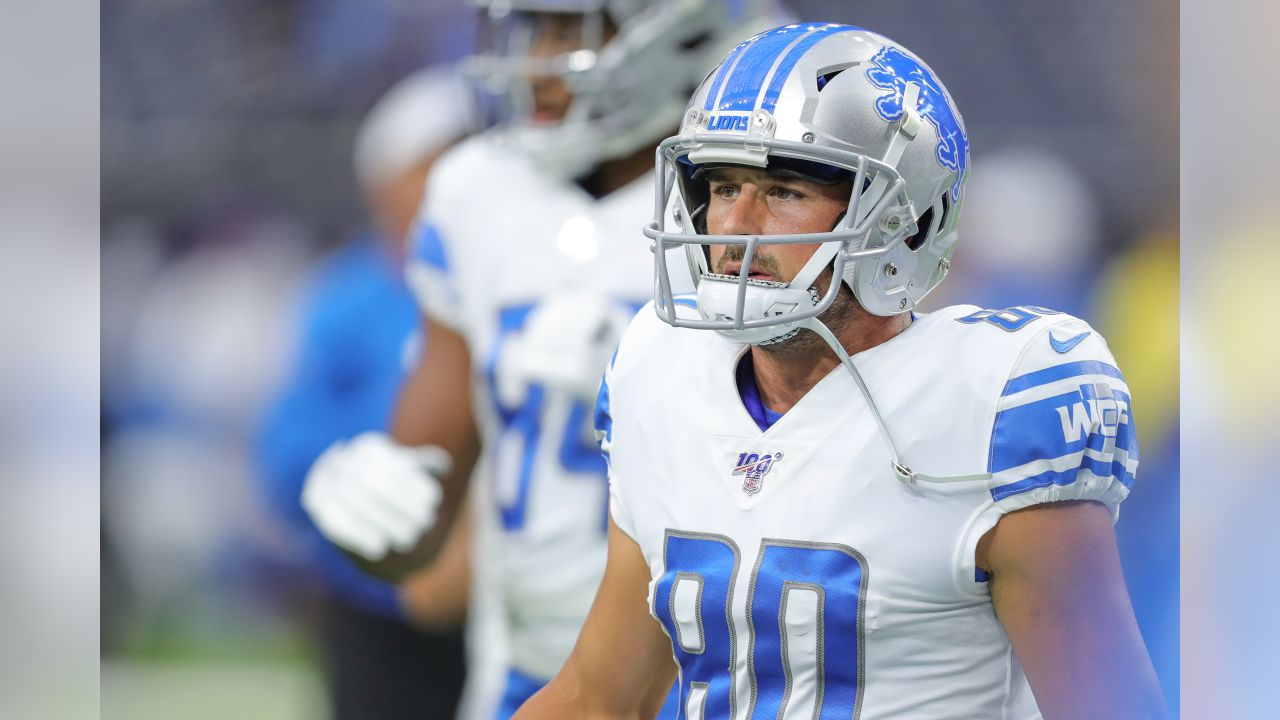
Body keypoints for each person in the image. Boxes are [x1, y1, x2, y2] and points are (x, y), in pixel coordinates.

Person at [516, 22, 1167, 719]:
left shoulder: (995, 406)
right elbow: (597, 698)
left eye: (785, 191)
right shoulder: (661, 371)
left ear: (900, 222)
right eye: (724, 184)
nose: (735, 226)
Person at [299, 3, 781, 717]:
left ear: (679, 30)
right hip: (522, 672)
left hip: (714, 674)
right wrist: (374, 511)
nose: (538, 61)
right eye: (531, 29)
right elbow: (421, 520)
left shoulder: (752, 201)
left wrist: (656, 387)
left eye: (571, 29)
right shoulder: (475, 190)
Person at [257, 67, 474, 720]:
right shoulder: (344, 299)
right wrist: (372, 471)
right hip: (376, 604)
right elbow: (284, 454)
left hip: (499, 591)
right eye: (433, 167)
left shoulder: (515, 279)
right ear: (386, 184)